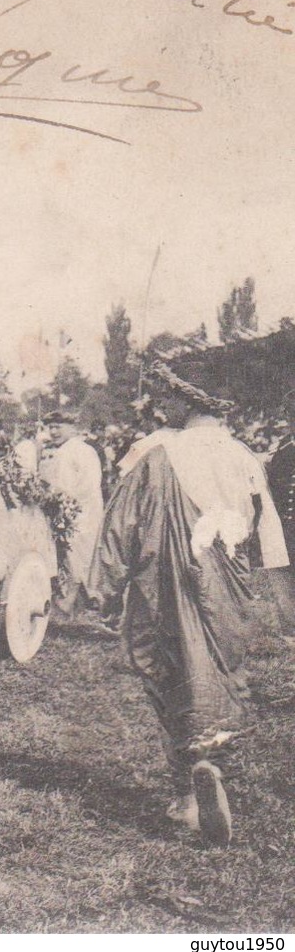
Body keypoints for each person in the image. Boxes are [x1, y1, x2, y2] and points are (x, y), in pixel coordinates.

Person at [85, 361, 291, 845]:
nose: (162, 405)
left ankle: (185, 791)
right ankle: (212, 762)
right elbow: (269, 536)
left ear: (188, 401)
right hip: (229, 586)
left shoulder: (156, 452)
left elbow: (121, 525)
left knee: (168, 672)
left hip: (166, 580)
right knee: (220, 672)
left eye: (169, 397)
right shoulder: (243, 455)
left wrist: (103, 587)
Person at [37, 410, 104, 617]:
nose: (54, 431)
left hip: (77, 513)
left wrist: (55, 501)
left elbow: (70, 487)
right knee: (78, 559)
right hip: (78, 512)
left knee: (73, 559)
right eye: (51, 427)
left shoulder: (73, 451)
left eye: (59, 427)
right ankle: (79, 605)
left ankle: (68, 605)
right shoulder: (75, 450)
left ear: (73, 428)